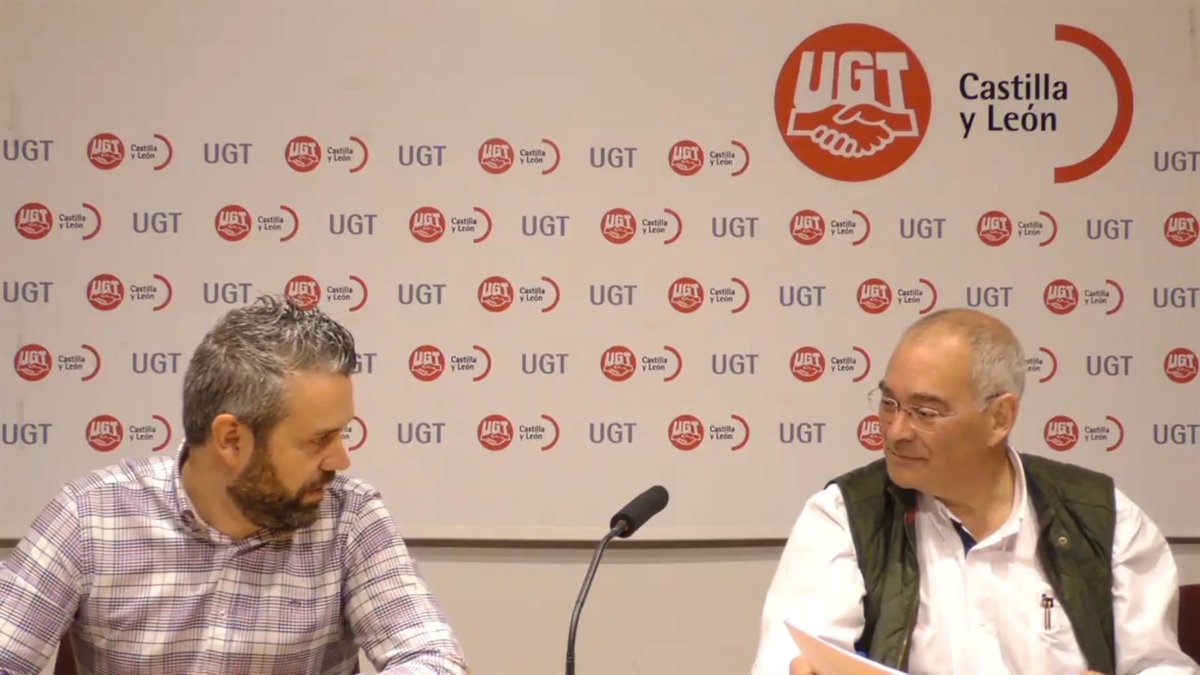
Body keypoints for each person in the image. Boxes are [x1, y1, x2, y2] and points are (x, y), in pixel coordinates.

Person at [0, 296, 468, 675]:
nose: (340, 460)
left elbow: (432, 658)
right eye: (318, 439)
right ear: (230, 439)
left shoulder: (349, 517)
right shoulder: (90, 517)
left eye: (341, 434)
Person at [751, 308, 1198, 675]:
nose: (896, 431)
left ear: (999, 418)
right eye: (889, 404)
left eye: (925, 412)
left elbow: (1160, 665)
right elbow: (792, 658)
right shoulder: (845, 517)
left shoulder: (1102, 518)